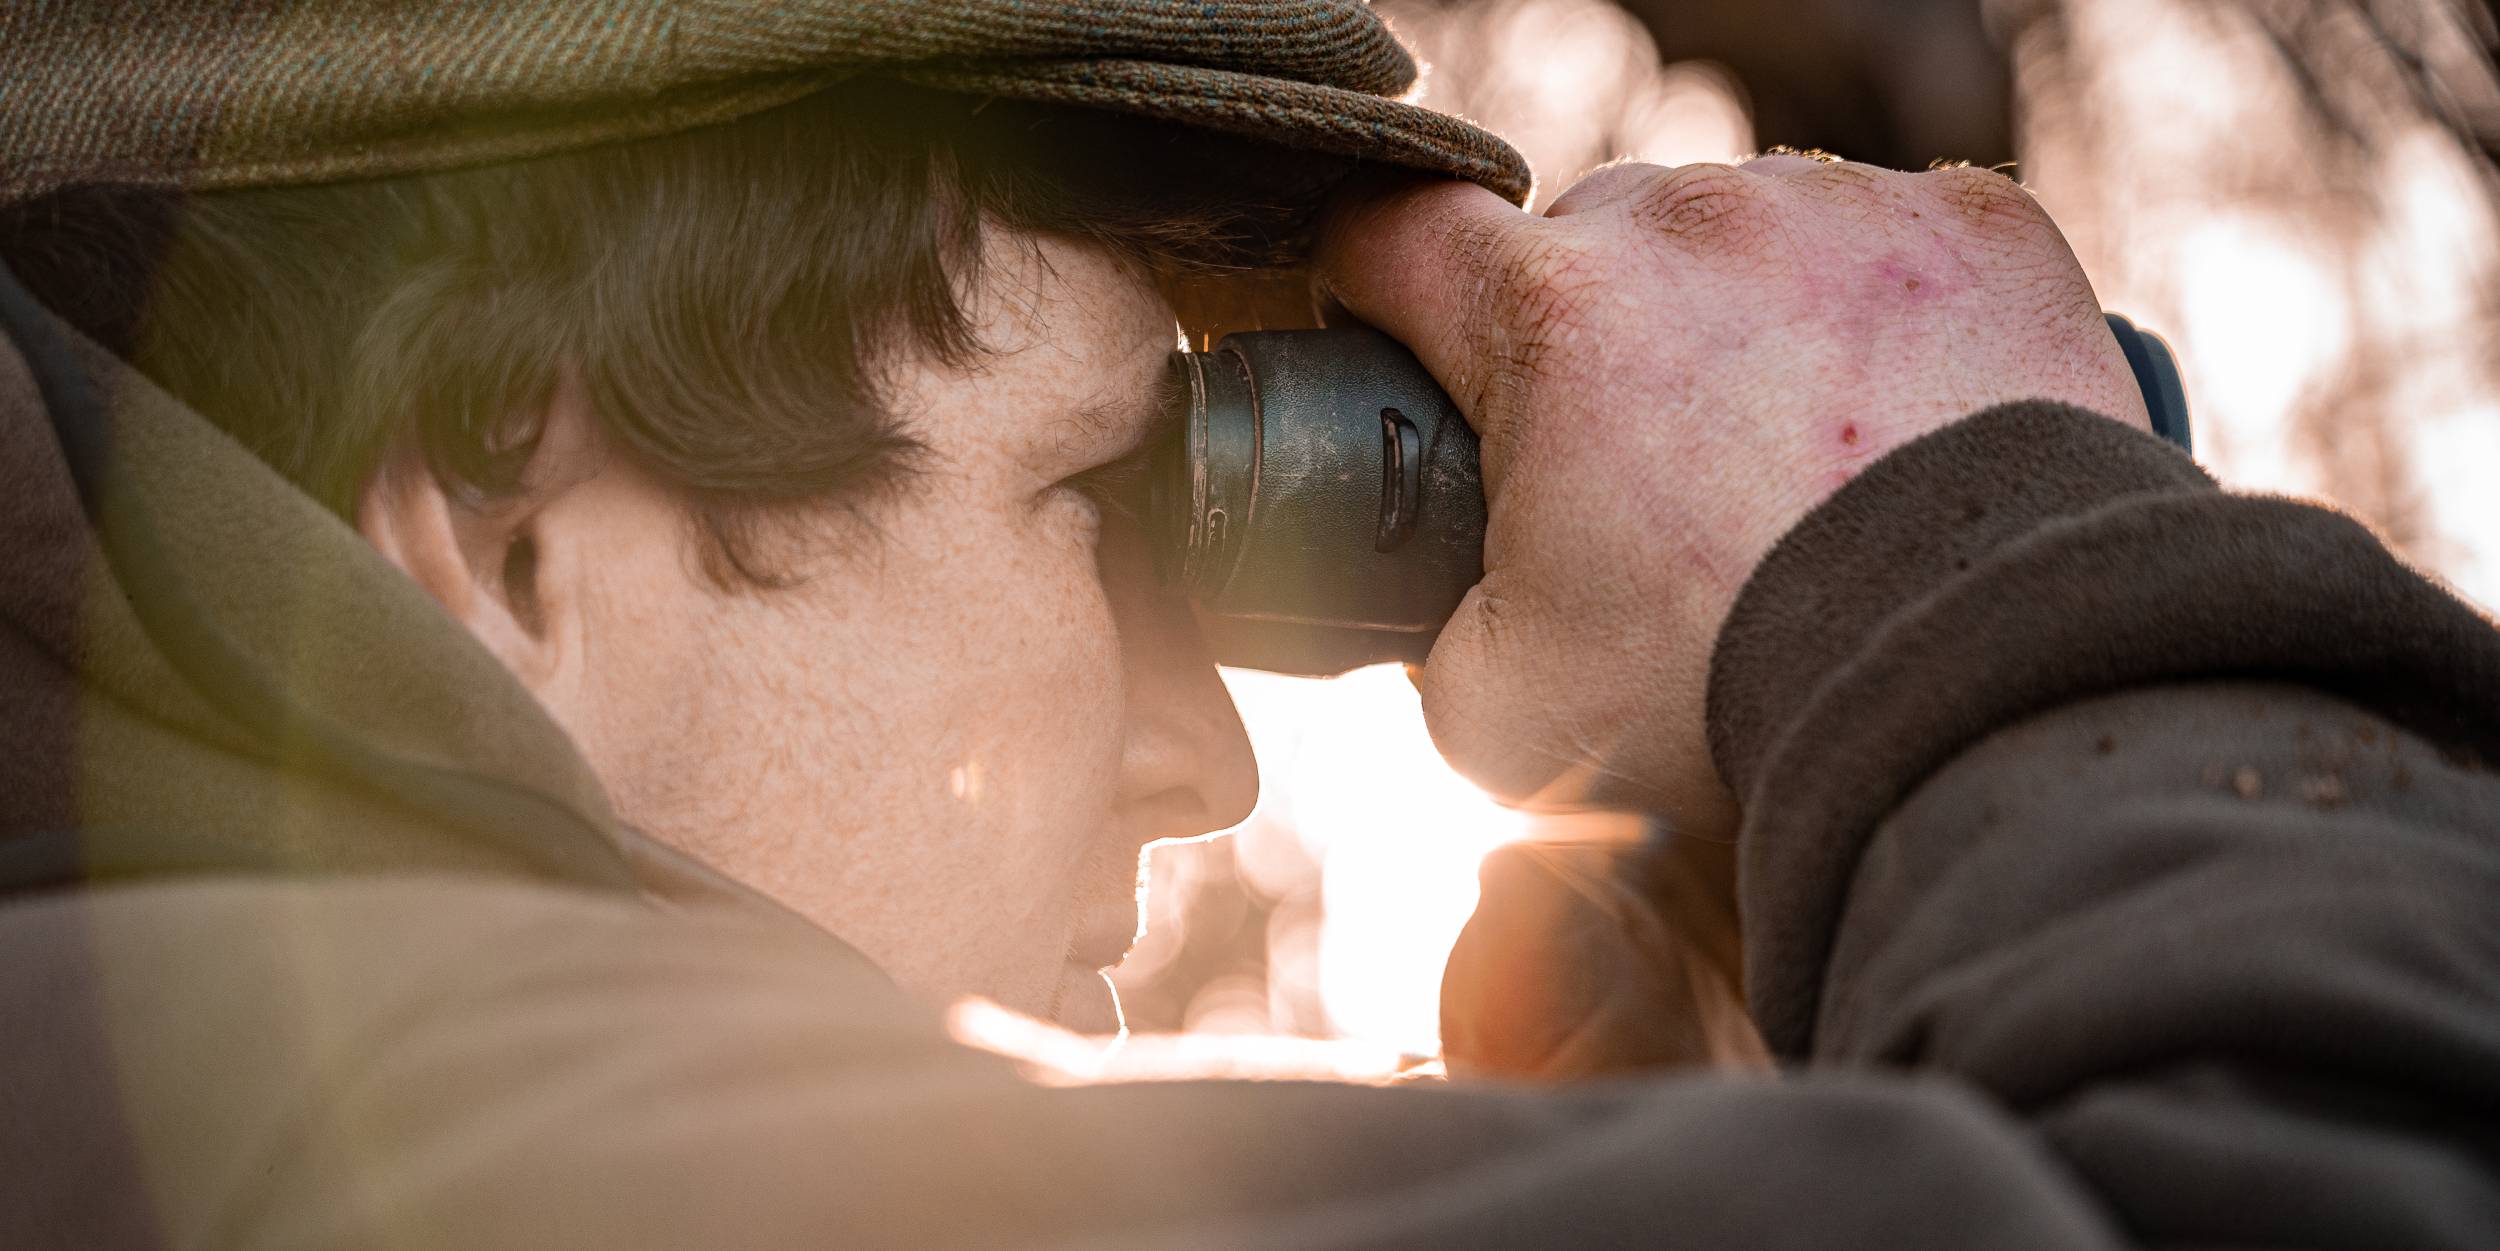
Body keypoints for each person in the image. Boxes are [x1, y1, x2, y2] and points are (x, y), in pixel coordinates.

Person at [4, 2, 2496, 1248]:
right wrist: (1985, 587)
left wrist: (1752, 1110)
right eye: (1100, 496)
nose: (1205, 760)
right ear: (505, 522)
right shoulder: (367, 1132)